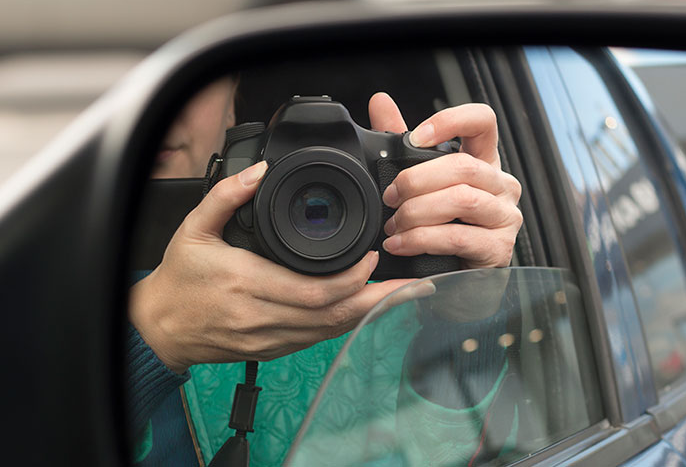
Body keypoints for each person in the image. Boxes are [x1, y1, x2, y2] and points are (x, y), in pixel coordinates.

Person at [126, 78, 524, 466]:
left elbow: (452, 451)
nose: (160, 109)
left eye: (188, 78)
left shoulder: (389, 294)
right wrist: (154, 331)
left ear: (232, 102)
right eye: (131, 73)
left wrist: (464, 312)